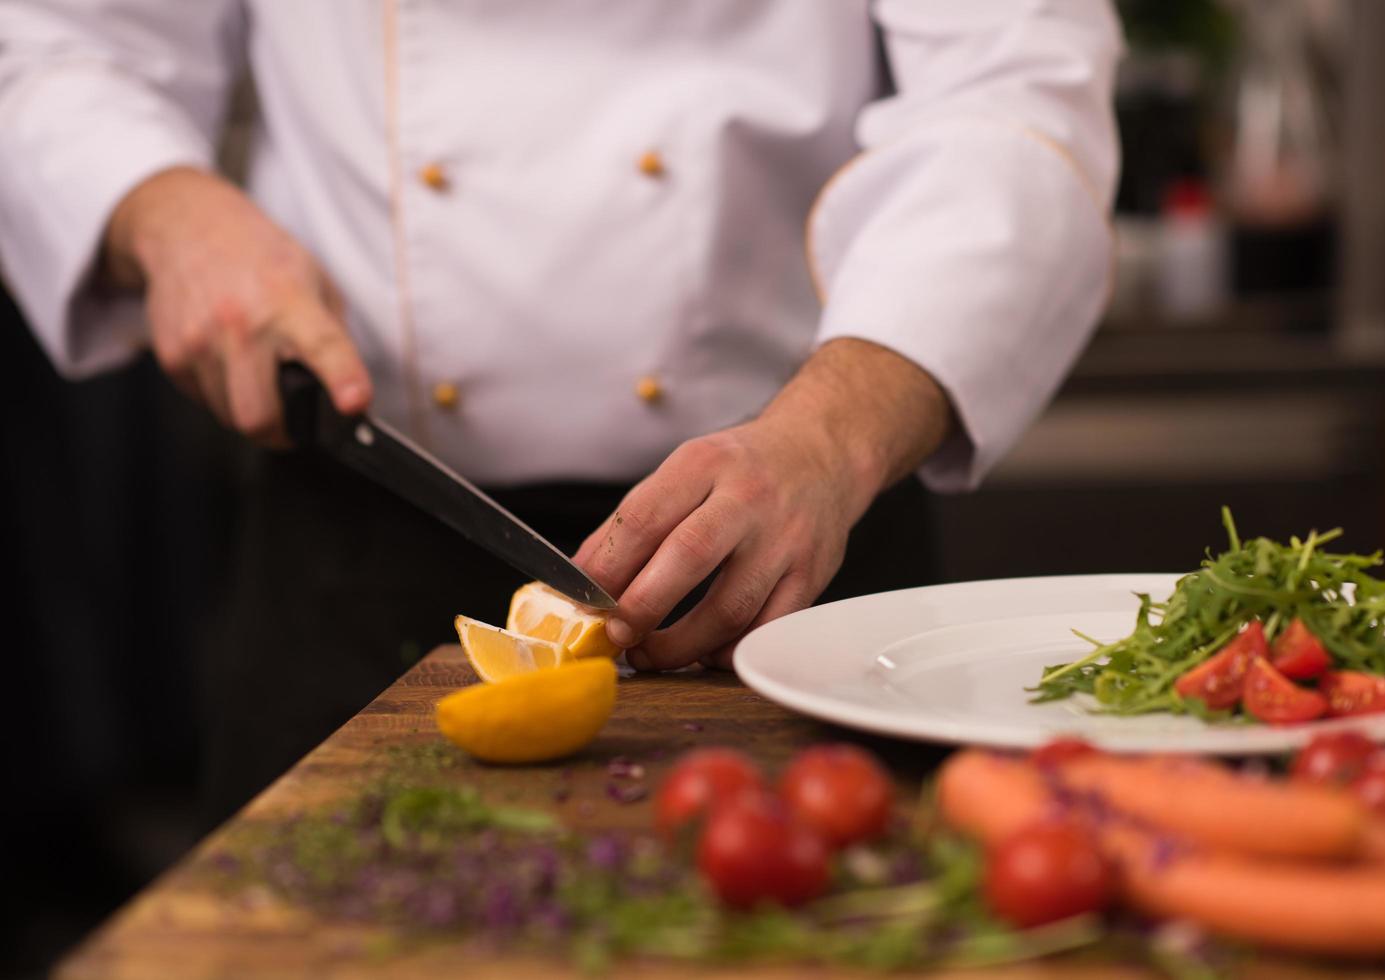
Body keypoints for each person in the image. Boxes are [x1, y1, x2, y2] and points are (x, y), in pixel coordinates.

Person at [0, 2, 1121, 814]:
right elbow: (60, 44)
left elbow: (1016, 83)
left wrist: (834, 430)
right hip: (359, 534)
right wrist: (165, 207)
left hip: (802, 536)